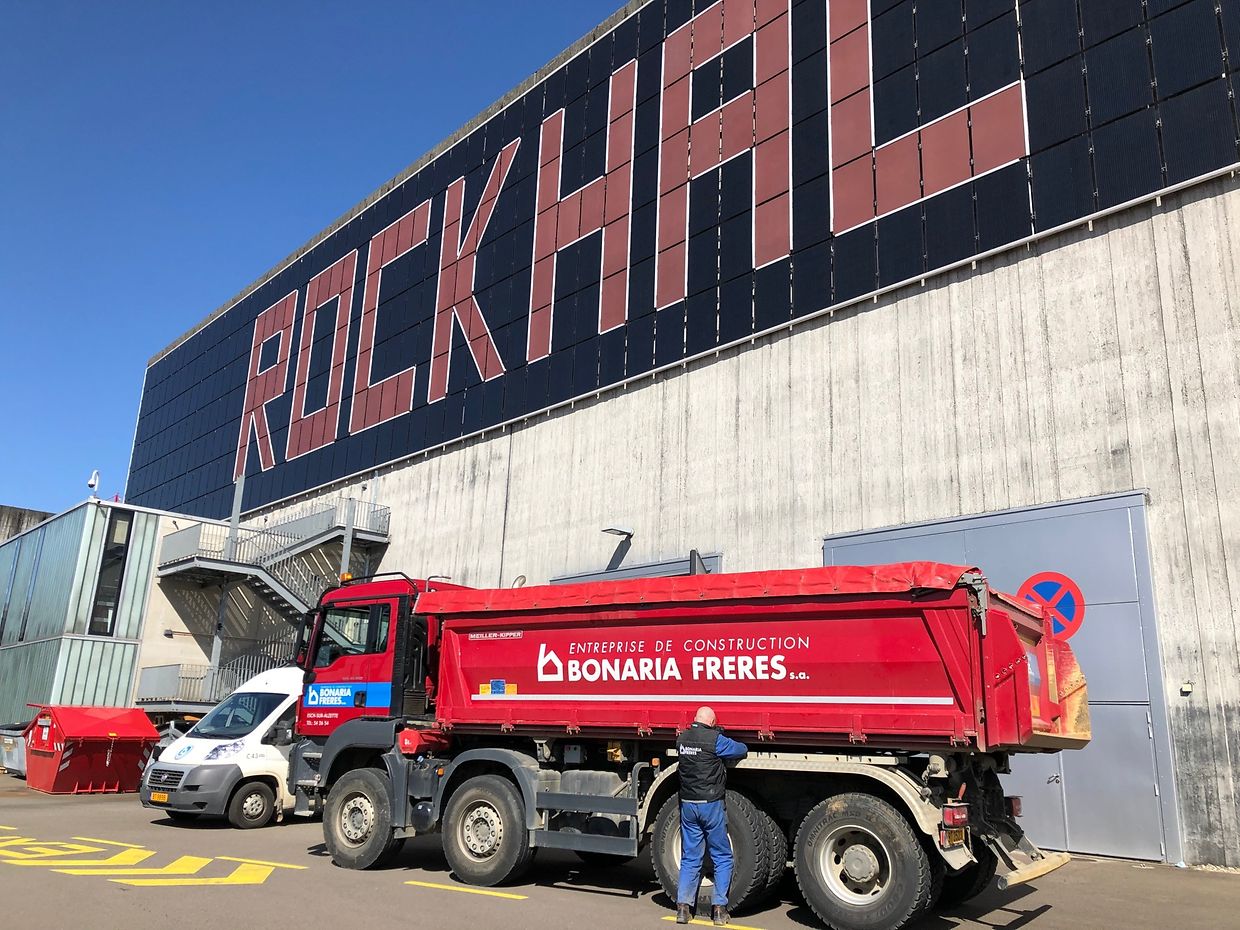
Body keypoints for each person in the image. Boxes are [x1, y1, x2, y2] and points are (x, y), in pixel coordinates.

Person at [676, 705, 748, 926]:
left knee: (690, 857)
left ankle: (683, 909)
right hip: (710, 805)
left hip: (688, 805)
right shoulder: (715, 740)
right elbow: (740, 749)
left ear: (695, 719)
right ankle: (719, 910)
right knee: (722, 856)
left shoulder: (682, 740)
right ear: (712, 722)